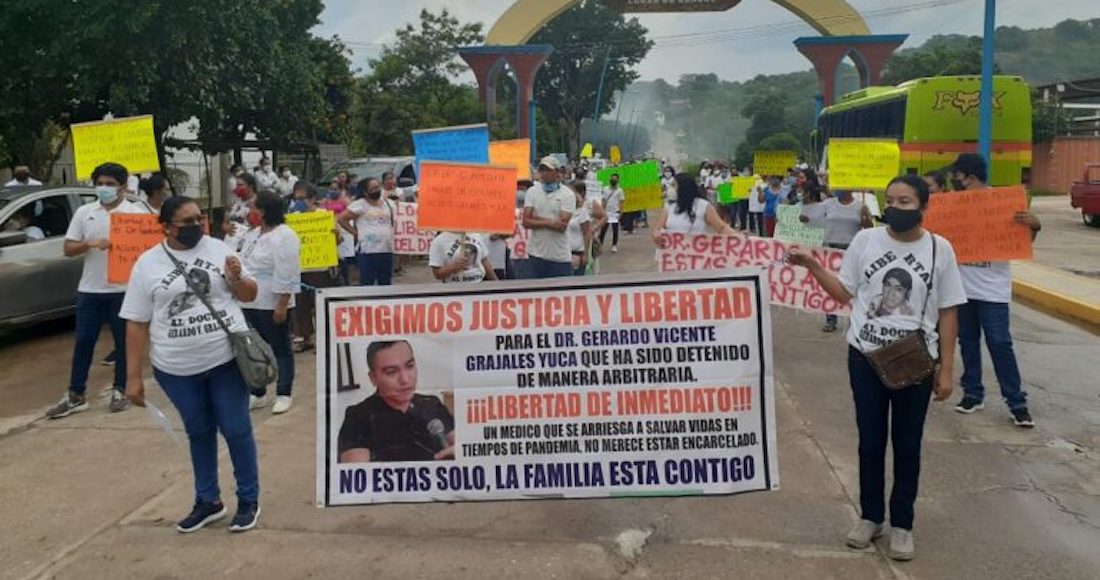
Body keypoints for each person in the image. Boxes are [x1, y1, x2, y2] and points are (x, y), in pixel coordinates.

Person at [789, 174, 967, 562]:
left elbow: (949, 311)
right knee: (869, 443)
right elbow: (844, 292)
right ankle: (870, 517)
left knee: (907, 444)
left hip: (914, 363)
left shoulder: (940, 250)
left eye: (905, 202)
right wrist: (812, 266)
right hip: (865, 357)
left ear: (924, 206)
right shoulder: (866, 241)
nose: (895, 208)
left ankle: (902, 524)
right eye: (891, 201)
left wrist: (947, 369)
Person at [121, 196, 262, 533]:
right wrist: (132, 377)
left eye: (200, 218)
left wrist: (237, 278)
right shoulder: (147, 264)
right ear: (166, 227)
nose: (197, 226)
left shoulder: (218, 249)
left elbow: (249, 295)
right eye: (187, 222)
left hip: (225, 360)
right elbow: (136, 322)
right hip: (176, 368)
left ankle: (248, 499)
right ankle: (208, 501)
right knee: (199, 432)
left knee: (236, 429)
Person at [948, 153, 1041, 427]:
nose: (954, 181)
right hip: (962, 289)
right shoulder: (953, 207)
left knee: (999, 343)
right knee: (968, 342)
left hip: (993, 291)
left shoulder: (1003, 204)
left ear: (969, 177)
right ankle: (972, 394)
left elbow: (1022, 240)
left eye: (957, 177)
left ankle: (1016, 402)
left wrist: (1035, 226)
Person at [46, 162, 143, 419]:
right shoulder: (85, 212)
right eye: (99, 183)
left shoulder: (135, 215)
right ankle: (75, 394)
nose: (104, 188)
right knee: (84, 341)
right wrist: (90, 243)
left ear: (123, 186)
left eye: (110, 184)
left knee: (123, 344)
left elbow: (147, 252)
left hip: (124, 290)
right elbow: (68, 248)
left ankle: (120, 389)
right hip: (90, 290)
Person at [337, 340, 455, 463]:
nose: (405, 379)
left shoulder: (431, 403)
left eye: (410, 366)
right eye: (391, 372)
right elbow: (356, 470)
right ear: (373, 378)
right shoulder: (358, 416)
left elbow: (458, 443)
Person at [238, 191, 301, 414]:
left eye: (253, 207)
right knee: (254, 349)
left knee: (280, 348)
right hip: (249, 300)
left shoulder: (284, 235)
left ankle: (284, 393)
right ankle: (258, 392)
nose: (250, 211)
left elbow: (288, 271)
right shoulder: (253, 234)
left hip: (271, 301)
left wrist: (282, 303)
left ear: (263, 211)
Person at [814, 189, 873, 332]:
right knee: (831, 284)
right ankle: (831, 320)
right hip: (830, 249)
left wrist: (866, 218)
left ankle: (853, 320)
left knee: (852, 286)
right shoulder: (827, 204)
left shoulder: (861, 206)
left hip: (852, 250)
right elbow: (811, 219)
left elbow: (869, 229)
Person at [290, 183, 340, 352]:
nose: (298, 202)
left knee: (320, 306)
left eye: (302, 198)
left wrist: (335, 236)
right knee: (300, 306)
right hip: (299, 269)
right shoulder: (292, 218)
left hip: (321, 268)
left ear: (312, 199)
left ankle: (323, 339)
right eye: (296, 198)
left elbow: (338, 241)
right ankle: (304, 338)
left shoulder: (324, 216)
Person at [522, 157, 576, 278]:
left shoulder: (567, 195)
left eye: (548, 170)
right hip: (535, 255)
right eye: (542, 170)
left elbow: (561, 226)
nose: (544, 173)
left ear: (557, 172)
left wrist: (535, 217)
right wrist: (551, 222)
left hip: (559, 257)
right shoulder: (532, 192)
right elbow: (526, 222)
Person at [338, 178, 396, 286]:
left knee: (385, 283)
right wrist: (355, 233)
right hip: (367, 251)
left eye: (378, 187)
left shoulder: (388, 203)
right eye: (373, 188)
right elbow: (341, 219)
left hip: (386, 249)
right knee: (367, 282)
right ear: (365, 192)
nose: (377, 190)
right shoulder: (359, 205)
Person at [653, 174, 736, 248]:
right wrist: (656, 235)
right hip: (673, 255)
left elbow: (722, 228)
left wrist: (739, 238)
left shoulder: (703, 206)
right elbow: (658, 228)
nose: (670, 189)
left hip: (695, 255)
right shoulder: (669, 206)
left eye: (674, 185)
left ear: (683, 187)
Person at [428, 232, 497, 283]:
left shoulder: (476, 235)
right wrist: (453, 267)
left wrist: (496, 283)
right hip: (454, 289)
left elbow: (484, 260)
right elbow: (437, 274)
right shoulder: (439, 241)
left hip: (479, 284)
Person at [566, 183, 593, 276]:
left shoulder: (582, 212)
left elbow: (586, 233)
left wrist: (586, 254)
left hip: (578, 252)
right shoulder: (562, 211)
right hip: (564, 252)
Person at [600, 174, 624, 253]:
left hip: (615, 212)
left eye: (615, 179)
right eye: (612, 178)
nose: (613, 180)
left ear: (618, 180)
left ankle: (614, 245)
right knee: (603, 229)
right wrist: (602, 211)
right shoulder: (605, 189)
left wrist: (620, 212)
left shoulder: (620, 190)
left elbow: (621, 202)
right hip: (606, 212)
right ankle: (600, 244)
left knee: (615, 229)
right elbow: (603, 200)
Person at [748, 172, 766, 237]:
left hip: (753, 203)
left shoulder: (750, 182)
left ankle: (752, 228)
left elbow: (747, 190)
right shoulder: (763, 183)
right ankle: (761, 232)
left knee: (752, 215)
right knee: (760, 218)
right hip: (760, 204)